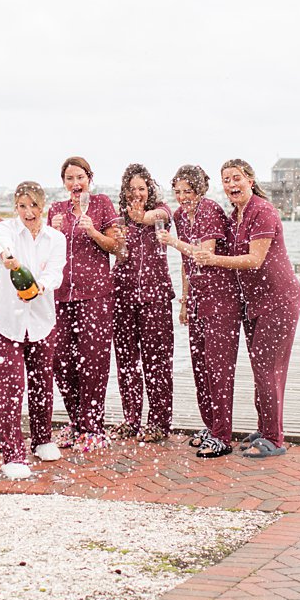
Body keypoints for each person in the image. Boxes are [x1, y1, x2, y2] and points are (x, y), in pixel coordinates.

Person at [194, 159, 300, 458]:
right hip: (254, 304)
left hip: (279, 300)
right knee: (261, 369)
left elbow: (255, 259)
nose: (231, 184)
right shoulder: (236, 215)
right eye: (226, 180)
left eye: (236, 178)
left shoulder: (262, 211)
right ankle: (265, 428)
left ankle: (274, 439)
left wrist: (212, 260)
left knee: (269, 369)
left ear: (250, 180)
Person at [0, 180, 67, 479]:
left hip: (42, 320)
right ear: (15, 207)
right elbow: (0, 247)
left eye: (33, 205)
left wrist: (37, 286)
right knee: (10, 388)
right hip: (5, 320)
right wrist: (8, 259)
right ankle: (13, 454)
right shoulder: (7, 229)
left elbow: (55, 273)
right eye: (22, 206)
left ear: (43, 205)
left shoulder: (56, 238)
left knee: (42, 383)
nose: (28, 212)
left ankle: (42, 439)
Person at [161, 165, 241, 458]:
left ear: (200, 190)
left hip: (221, 298)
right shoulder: (181, 216)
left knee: (219, 369)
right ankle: (211, 426)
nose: (183, 197)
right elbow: (186, 262)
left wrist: (173, 241)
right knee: (200, 367)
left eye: (188, 191)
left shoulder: (210, 210)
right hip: (196, 298)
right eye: (178, 192)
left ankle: (223, 435)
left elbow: (204, 255)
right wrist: (184, 300)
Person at [46, 156, 121, 453]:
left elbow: (117, 247)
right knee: (60, 360)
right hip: (60, 296)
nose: (75, 184)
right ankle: (76, 422)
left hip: (96, 296)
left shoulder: (103, 204)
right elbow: (43, 253)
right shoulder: (56, 210)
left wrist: (92, 231)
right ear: (63, 182)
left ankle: (93, 426)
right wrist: (49, 233)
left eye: (80, 177)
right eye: (69, 179)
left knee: (93, 361)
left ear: (90, 178)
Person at [110, 162, 175, 443]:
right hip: (123, 295)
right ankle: (131, 419)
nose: (137, 193)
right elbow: (120, 257)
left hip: (155, 297)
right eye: (132, 189)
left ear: (149, 190)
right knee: (126, 361)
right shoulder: (119, 220)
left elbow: (159, 215)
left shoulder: (161, 212)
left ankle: (160, 423)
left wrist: (144, 216)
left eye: (141, 188)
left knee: (157, 362)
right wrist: (119, 244)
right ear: (124, 192)